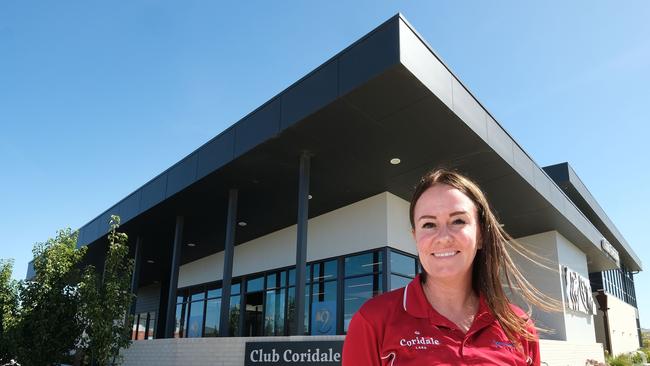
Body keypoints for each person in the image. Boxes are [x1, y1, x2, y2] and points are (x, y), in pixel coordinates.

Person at [343, 169, 556, 366]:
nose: (443, 237)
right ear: (415, 238)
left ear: (480, 235)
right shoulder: (373, 321)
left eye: (458, 221)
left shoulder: (519, 326)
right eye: (429, 224)